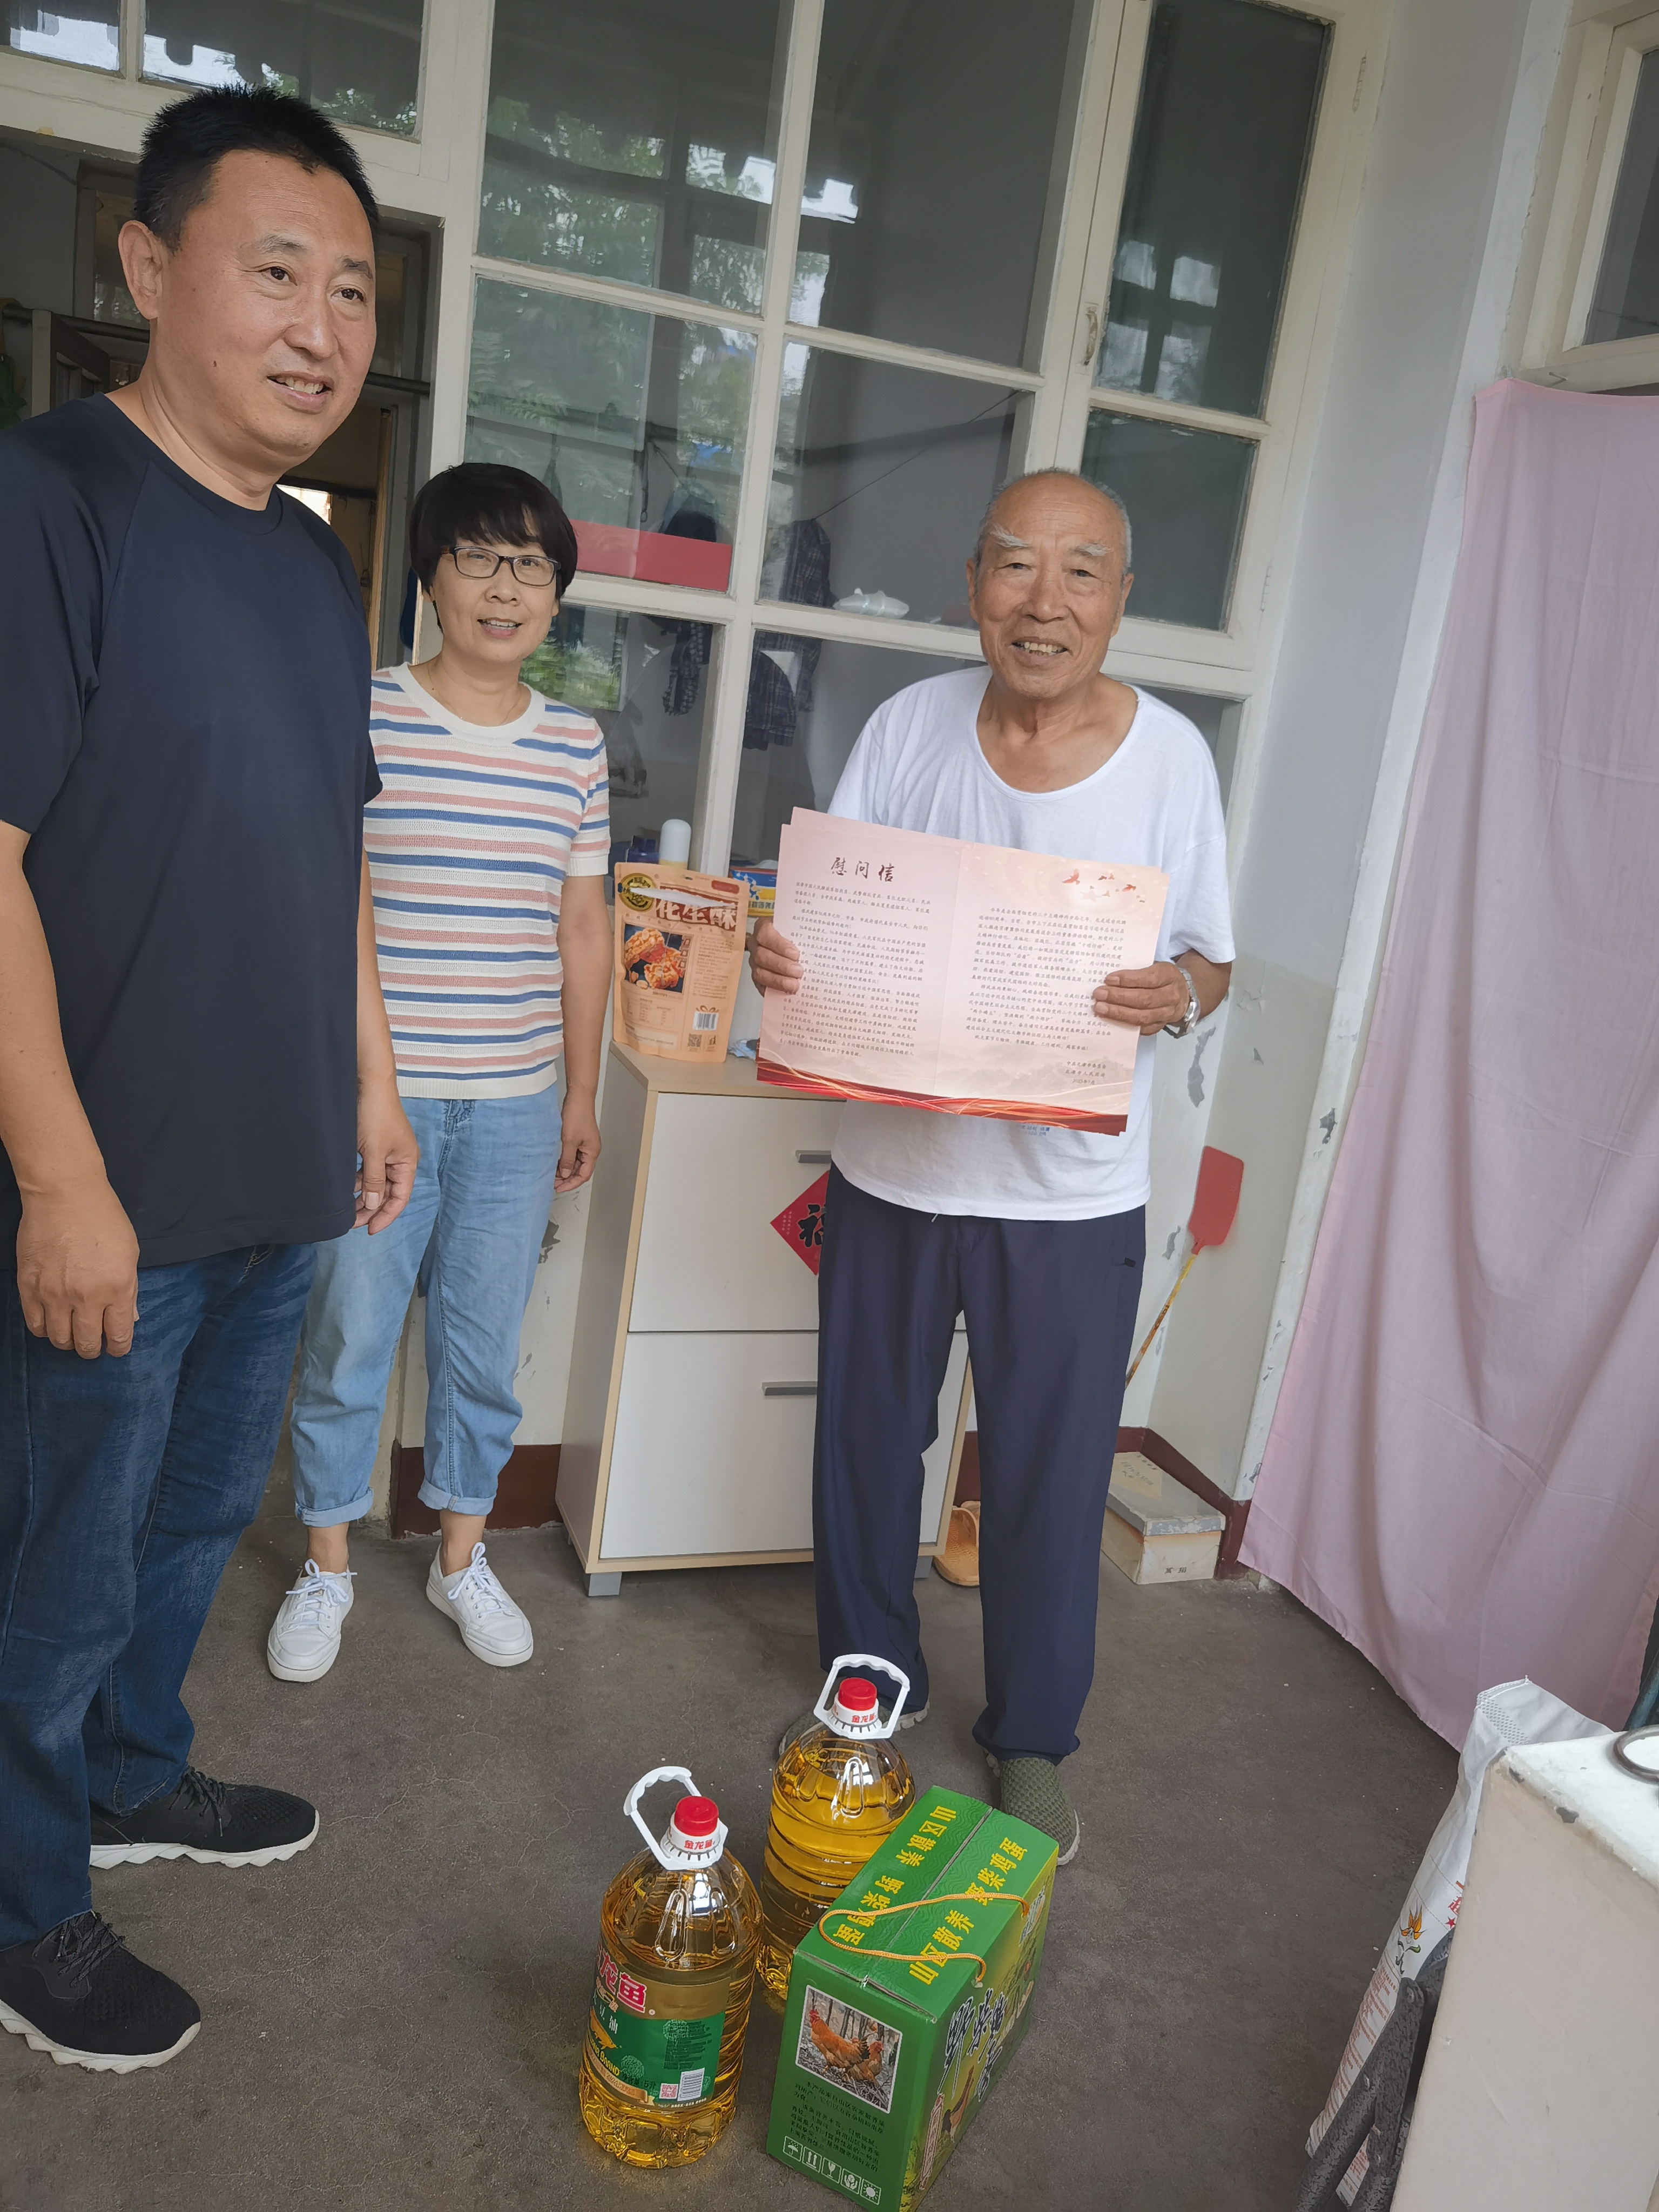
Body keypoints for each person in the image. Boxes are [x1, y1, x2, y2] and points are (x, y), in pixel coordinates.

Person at [0, 87, 416, 2073]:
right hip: (112, 1185)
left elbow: (337, 857)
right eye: (277, 272)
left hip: (275, 1172)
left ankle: (129, 1774)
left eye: (354, 292)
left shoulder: (314, 567)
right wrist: (61, 1179)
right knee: (54, 1568)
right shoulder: (47, 499)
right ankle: (24, 1904)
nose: (321, 329)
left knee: (181, 1531)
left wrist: (372, 1084)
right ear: (149, 267)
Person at [752, 470, 1234, 1865]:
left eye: (1081, 571)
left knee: (1048, 1473)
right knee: (864, 1448)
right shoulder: (908, 727)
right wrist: (789, 954)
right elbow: (830, 917)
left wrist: (1179, 996)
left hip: (1070, 1195)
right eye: (1017, 566)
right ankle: (867, 1691)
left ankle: (1032, 1738)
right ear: (973, 585)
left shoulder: (1170, 761)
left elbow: (1211, 955)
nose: (1045, 601)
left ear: (1121, 599)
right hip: (894, 1173)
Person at [265, 464, 612, 1682]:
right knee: (350, 1336)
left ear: (557, 595)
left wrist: (581, 1092)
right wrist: (363, 1088)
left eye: (532, 566)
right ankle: (327, 1565)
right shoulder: (364, 712)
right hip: (382, 1101)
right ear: (430, 578)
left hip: (518, 1106)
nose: (505, 589)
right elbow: (325, 900)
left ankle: (463, 1558)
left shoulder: (574, 743)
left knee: (481, 1345)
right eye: (479, 559)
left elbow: (583, 925)